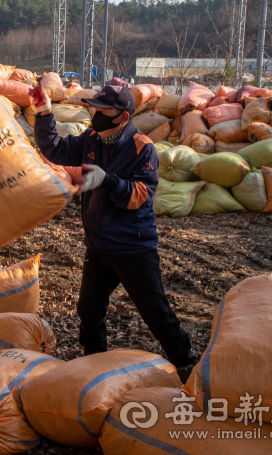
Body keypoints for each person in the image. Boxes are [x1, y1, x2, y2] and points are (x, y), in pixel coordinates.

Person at [30, 84, 197, 379]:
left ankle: (184, 363)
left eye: (102, 110)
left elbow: (140, 195)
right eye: (94, 108)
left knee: (155, 312)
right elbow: (55, 149)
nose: (96, 115)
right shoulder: (92, 137)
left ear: (121, 116)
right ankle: (94, 367)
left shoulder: (141, 147)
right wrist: (43, 111)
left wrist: (106, 180)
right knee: (89, 310)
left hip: (133, 248)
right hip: (99, 246)